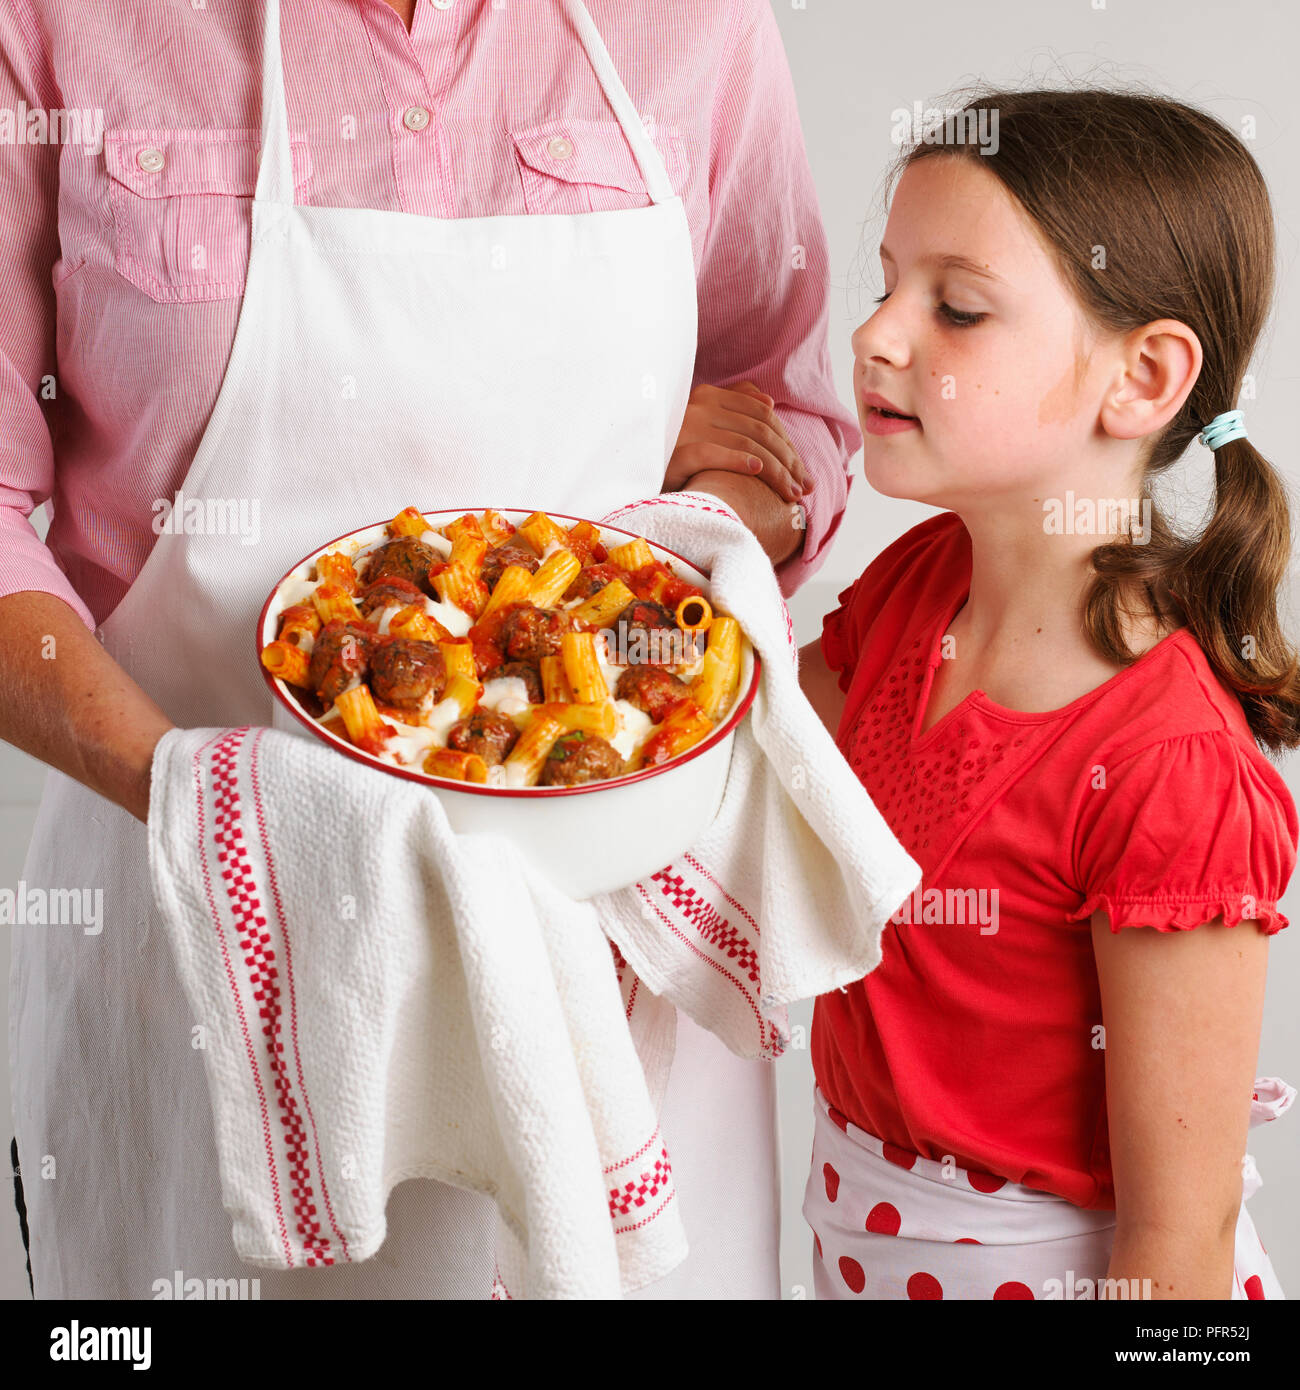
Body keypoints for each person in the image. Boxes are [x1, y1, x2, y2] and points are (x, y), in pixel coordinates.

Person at [1, 0, 858, 1298]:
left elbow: (786, 411)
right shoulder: (55, 22)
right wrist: (213, 805)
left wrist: (697, 526)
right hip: (205, 935)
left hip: (615, 940)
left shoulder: (698, 21)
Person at [799, 88, 1299, 1300]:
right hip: (848, 1239)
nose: (875, 336)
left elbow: (1177, 1243)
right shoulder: (914, 586)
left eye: (956, 307)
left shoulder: (1170, 766)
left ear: (1141, 378)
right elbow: (741, 758)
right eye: (886, 285)